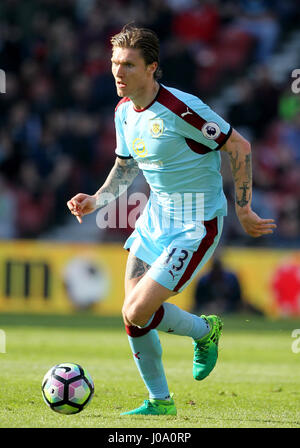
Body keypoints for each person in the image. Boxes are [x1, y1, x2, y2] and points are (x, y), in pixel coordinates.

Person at [67, 25, 276, 416]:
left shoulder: (181, 108)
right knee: (133, 312)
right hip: (154, 220)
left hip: (195, 227)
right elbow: (125, 166)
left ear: (152, 68)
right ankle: (160, 402)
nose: (118, 72)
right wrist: (96, 200)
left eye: (128, 64)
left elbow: (238, 145)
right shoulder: (123, 112)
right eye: (115, 63)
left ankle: (205, 331)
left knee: (136, 312)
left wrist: (243, 208)